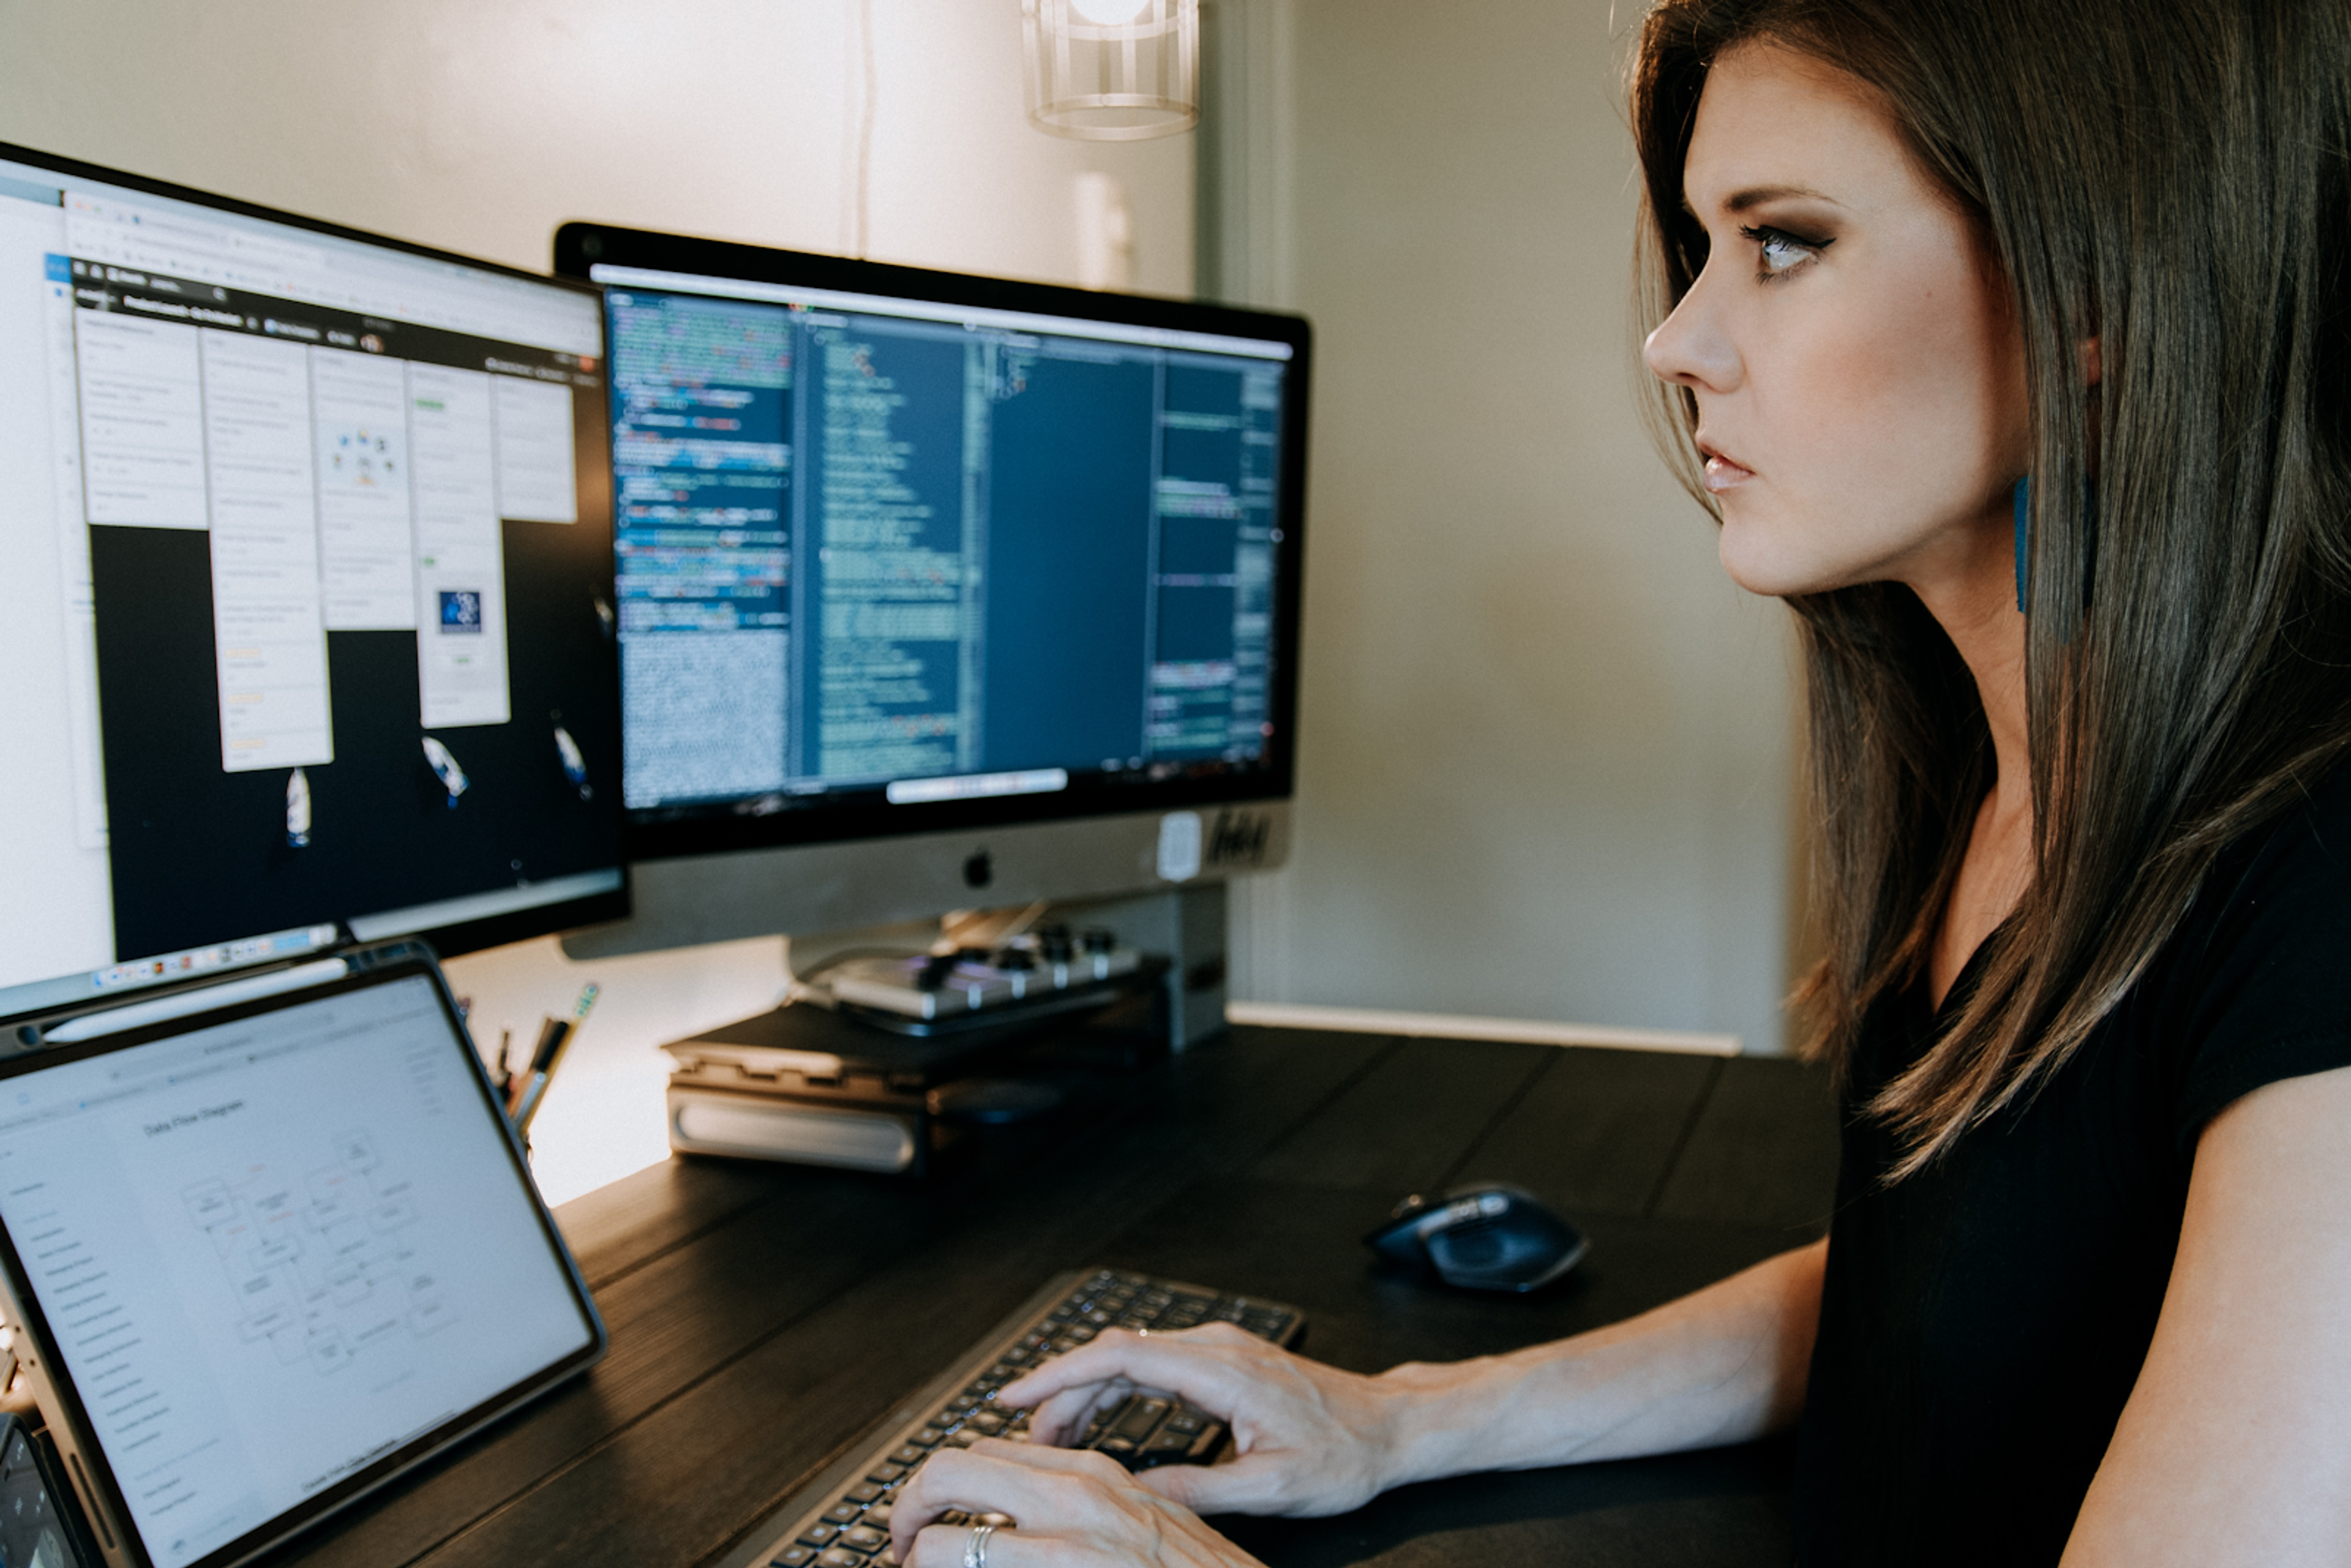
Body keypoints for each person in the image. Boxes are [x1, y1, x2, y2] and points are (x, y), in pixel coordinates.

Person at [887, 1, 2351, 1562]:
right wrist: (1400, 1414)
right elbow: (1926, 1284)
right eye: (1701, 246)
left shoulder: (2317, 868)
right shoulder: (2000, 774)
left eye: (1784, 242)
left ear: (2097, 287)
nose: (1678, 338)